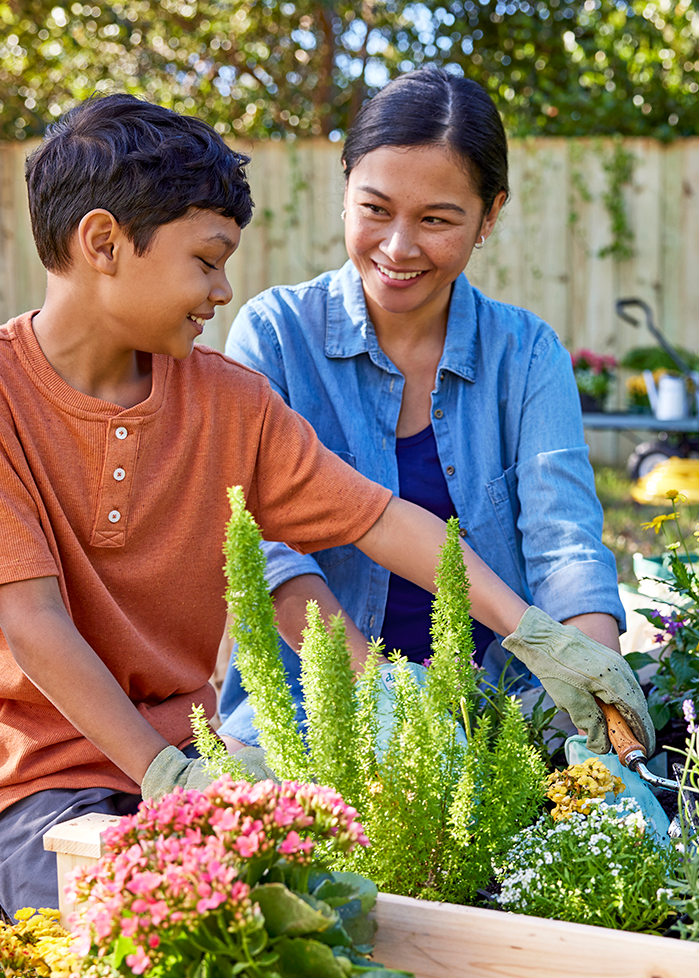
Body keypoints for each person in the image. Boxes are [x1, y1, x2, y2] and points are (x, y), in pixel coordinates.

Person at [0, 93, 652, 925]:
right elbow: (32, 624)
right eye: (207, 260)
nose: (224, 290)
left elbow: (377, 518)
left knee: (318, 921)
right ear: (105, 243)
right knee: (168, 932)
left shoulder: (226, 400)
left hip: (188, 752)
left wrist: (536, 634)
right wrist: (166, 777)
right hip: (31, 772)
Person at [217, 68, 625, 748]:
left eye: (436, 220)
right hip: (312, 707)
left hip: (496, 710)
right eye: (375, 209)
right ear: (345, 188)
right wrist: (384, 696)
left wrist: (592, 693)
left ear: (489, 215)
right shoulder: (276, 336)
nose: (399, 248)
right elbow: (262, 551)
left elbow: (566, 549)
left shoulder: (525, 355)